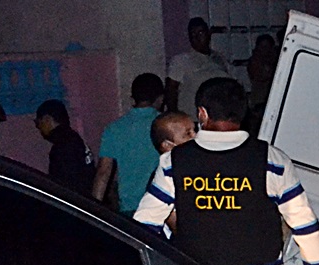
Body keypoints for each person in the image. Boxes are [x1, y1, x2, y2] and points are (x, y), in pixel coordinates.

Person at [136, 78, 319, 265]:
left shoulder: (173, 162)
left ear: (202, 113)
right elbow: (305, 225)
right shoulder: (273, 160)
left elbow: (144, 225)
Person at [98, 74, 167, 216]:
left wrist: (93, 210)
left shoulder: (114, 128)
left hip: (130, 207)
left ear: (132, 99)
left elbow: (103, 173)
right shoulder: (167, 126)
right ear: (160, 98)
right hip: (163, 205)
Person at [168, 18, 237, 113]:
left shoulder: (220, 59)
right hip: (192, 117)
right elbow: (171, 91)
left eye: (200, 33)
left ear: (208, 34)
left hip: (218, 117)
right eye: (193, 35)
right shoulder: (181, 61)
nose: (197, 38)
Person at [34, 100, 97, 197]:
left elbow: (63, 184)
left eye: (38, 123)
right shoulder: (73, 138)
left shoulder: (62, 146)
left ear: (47, 119)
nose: (39, 128)